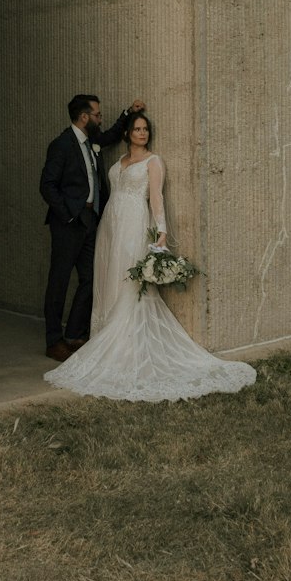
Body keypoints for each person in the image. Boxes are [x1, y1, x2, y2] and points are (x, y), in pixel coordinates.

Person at [44, 112, 256, 402]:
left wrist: (162, 231)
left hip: (132, 223)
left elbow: (156, 195)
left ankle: (125, 344)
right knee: (106, 277)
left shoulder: (154, 161)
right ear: (128, 133)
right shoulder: (118, 163)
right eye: (137, 129)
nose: (142, 133)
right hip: (109, 225)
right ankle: (103, 333)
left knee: (127, 278)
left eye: (145, 129)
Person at [40, 94, 145, 361]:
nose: (100, 119)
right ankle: (54, 340)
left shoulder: (91, 142)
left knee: (90, 278)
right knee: (59, 281)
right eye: (97, 115)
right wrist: (69, 215)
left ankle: (75, 333)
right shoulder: (61, 145)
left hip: (90, 222)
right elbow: (47, 185)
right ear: (84, 117)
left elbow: (110, 136)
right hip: (68, 223)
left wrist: (128, 113)